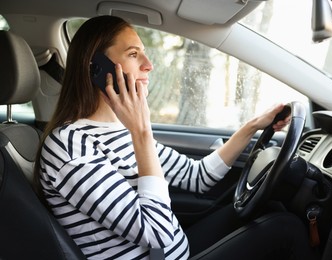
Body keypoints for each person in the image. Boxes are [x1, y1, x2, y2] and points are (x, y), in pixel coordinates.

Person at [34, 15, 297, 260]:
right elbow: (157, 233)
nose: (149, 65)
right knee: (285, 229)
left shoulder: (119, 129)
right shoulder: (70, 147)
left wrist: (253, 126)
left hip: (177, 247)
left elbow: (198, 177)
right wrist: (141, 132)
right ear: (96, 68)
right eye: (133, 54)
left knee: (269, 206)